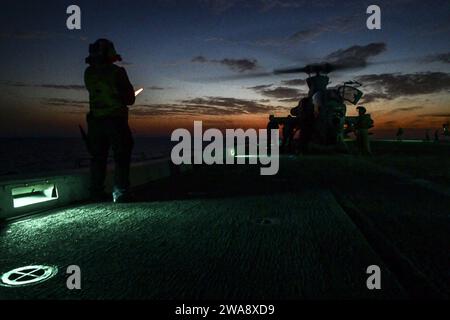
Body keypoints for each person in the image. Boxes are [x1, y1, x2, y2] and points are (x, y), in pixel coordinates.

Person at [84, 39, 136, 203]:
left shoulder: (88, 73)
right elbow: (129, 99)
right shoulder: (117, 72)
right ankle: (120, 192)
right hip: (115, 121)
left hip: (95, 122)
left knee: (98, 157)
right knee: (121, 155)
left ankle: (96, 193)